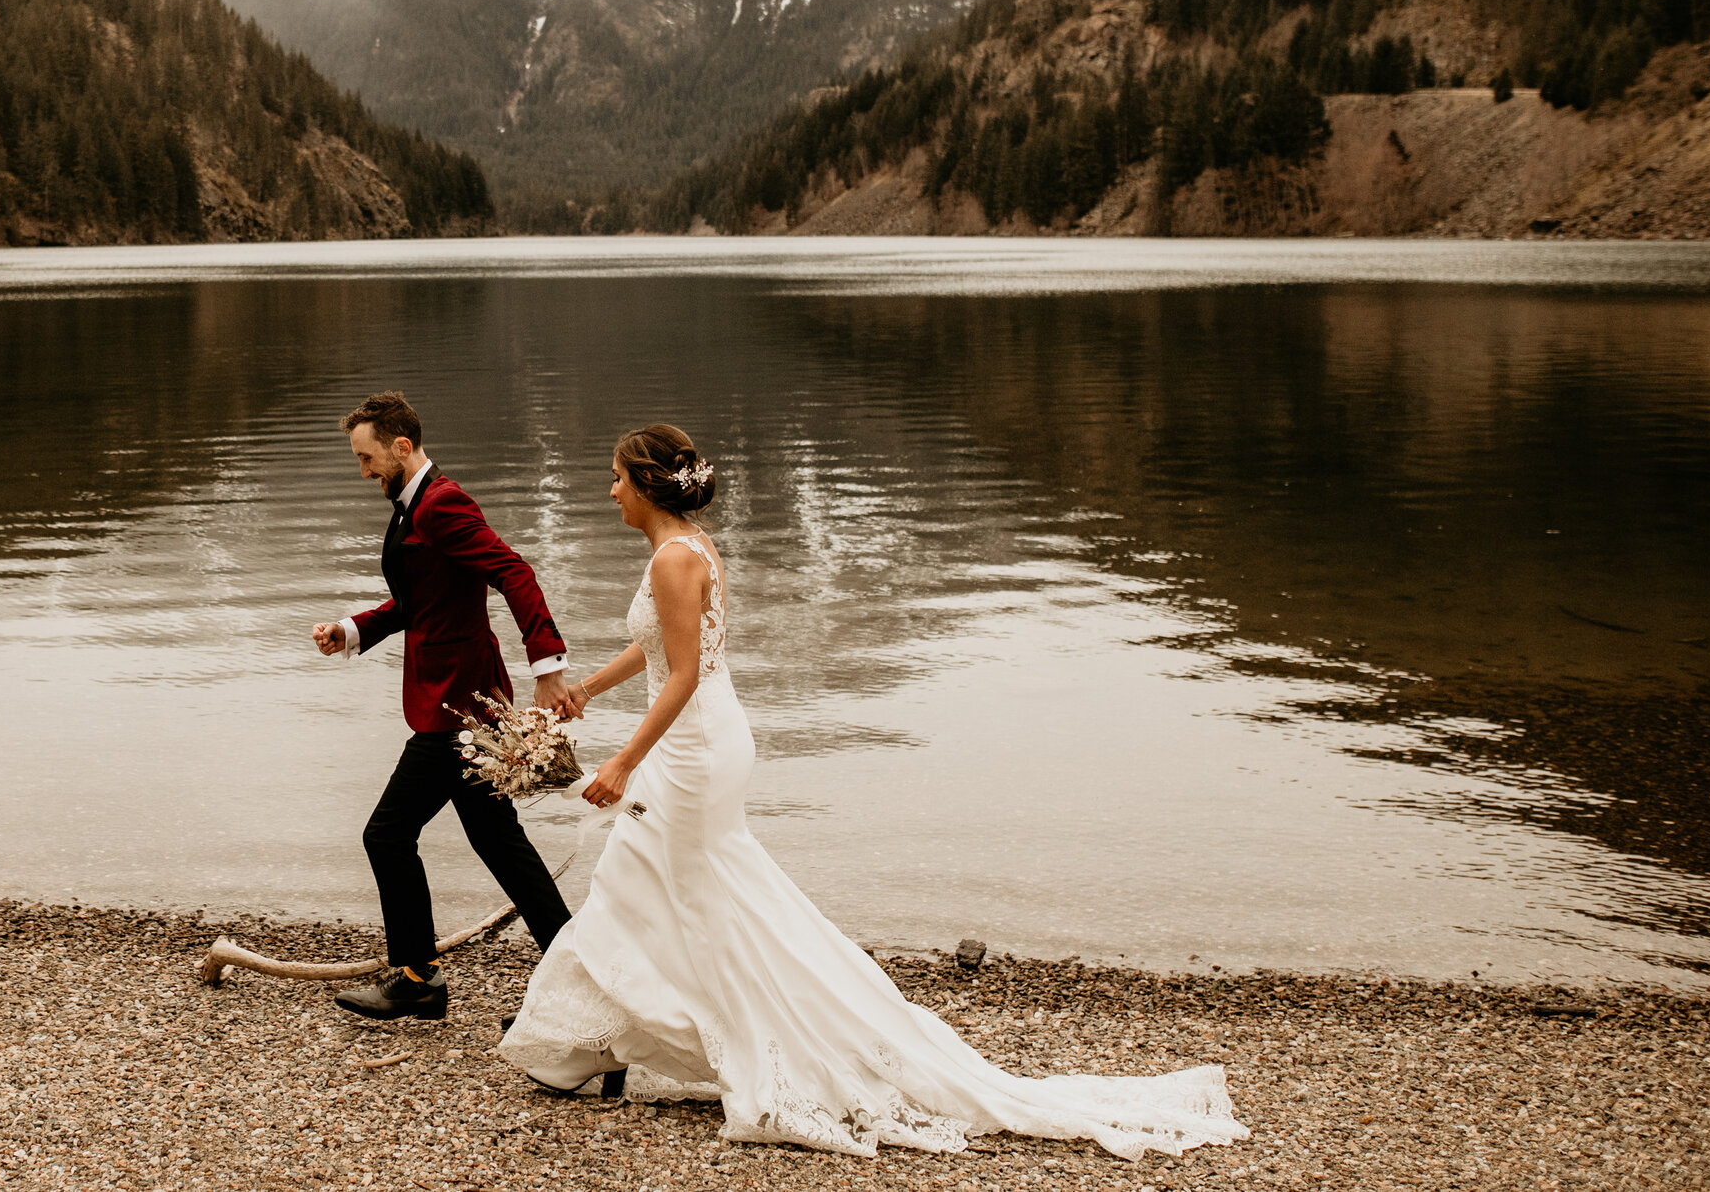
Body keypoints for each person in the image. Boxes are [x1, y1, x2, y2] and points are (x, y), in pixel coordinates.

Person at [495, 425, 1249, 1162]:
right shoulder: (688, 546)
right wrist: (590, 686)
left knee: (663, 890)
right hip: (709, 739)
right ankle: (601, 1044)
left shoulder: (671, 558)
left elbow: (685, 670)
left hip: (692, 751)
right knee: (666, 888)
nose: (610, 489)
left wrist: (624, 760)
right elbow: (663, 646)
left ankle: (638, 1043)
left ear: (648, 482)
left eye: (618, 476)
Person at [312, 391, 583, 1022]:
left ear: (401, 447)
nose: (364, 473)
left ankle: (416, 978)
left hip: (458, 709)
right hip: (462, 700)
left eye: (368, 458)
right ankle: (577, 966)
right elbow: (420, 602)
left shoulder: (442, 504)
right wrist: (352, 630)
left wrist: (549, 670)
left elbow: (514, 571)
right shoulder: (413, 508)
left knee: (386, 834)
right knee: (499, 842)